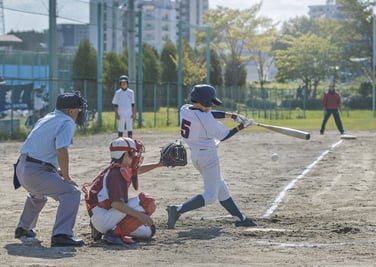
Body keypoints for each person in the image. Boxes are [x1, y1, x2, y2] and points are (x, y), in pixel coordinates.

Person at [166, 84, 256, 229]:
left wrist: (233, 116)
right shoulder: (207, 121)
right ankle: (177, 210)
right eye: (210, 102)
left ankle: (240, 218)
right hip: (208, 158)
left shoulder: (185, 109)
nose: (211, 105)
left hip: (196, 156)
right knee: (211, 195)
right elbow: (224, 135)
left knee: (221, 186)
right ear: (204, 101)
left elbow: (208, 113)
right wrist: (241, 127)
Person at [14, 91, 88, 247]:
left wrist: (57, 169)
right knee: (71, 192)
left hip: (22, 169)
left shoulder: (47, 118)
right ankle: (62, 235)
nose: (80, 112)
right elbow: (61, 149)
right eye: (79, 108)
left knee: (38, 195)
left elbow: (41, 148)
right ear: (71, 110)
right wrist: (66, 177)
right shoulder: (67, 121)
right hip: (35, 172)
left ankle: (23, 228)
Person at [82, 137, 164, 245]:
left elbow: (136, 171)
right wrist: (139, 215)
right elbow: (116, 204)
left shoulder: (116, 168)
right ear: (125, 155)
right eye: (133, 154)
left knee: (149, 231)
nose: (135, 157)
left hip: (102, 215)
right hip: (104, 216)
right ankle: (113, 234)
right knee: (147, 201)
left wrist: (159, 164)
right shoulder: (117, 173)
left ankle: (103, 229)